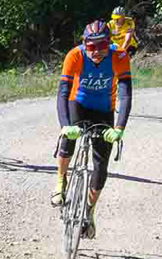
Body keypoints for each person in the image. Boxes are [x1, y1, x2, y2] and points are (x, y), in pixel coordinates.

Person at [52, 20, 132, 238]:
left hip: (104, 109)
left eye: (102, 45)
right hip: (78, 103)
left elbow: (125, 94)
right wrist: (65, 125)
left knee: (101, 165)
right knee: (68, 137)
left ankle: (89, 211)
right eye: (91, 46)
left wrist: (119, 128)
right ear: (84, 44)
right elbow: (63, 92)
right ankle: (60, 180)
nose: (96, 51)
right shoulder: (74, 56)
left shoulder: (120, 56)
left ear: (110, 43)